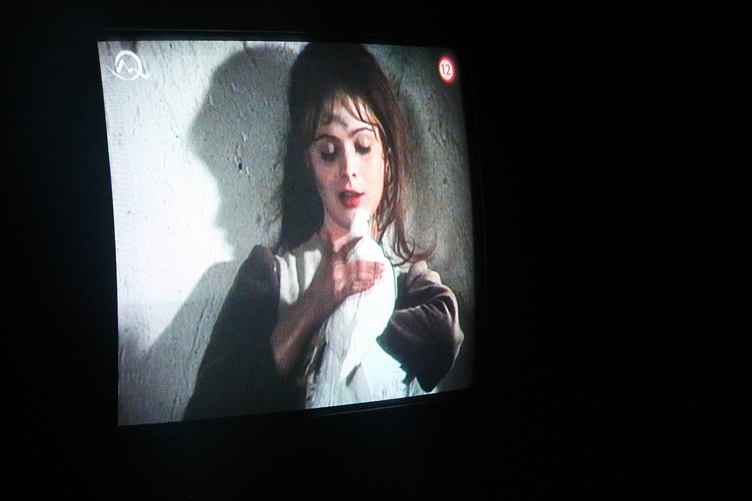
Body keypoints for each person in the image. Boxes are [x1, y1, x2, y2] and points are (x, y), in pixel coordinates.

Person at [183, 43, 463, 420]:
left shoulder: (414, 289)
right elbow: (209, 412)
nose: (349, 168)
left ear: (387, 157)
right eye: (329, 151)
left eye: (363, 146)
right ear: (308, 164)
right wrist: (315, 302)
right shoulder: (270, 277)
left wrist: (360, 316)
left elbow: (444, 344)